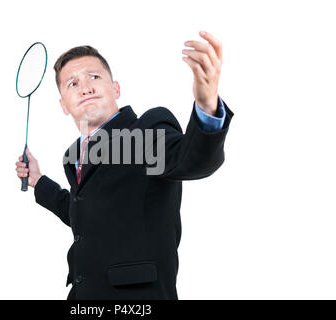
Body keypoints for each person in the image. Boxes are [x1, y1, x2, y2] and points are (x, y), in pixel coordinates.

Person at [15, 30, 234, 299]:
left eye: (94, 77)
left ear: (115, 88)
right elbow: (82, 215)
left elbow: (190, 160)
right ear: (64, 105)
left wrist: (207, 106)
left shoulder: (145, 131)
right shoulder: (74, 156)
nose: (85, 87)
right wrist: (38, 179)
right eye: (72, 83)